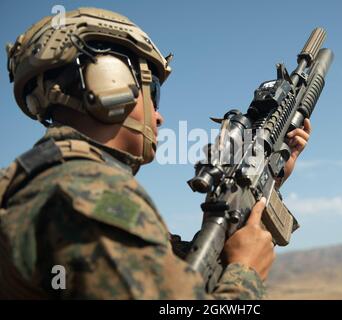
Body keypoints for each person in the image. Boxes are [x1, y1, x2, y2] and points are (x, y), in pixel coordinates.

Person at [0, 7, 311, 299]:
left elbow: (170, 278)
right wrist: (246, 274)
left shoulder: (50, 182)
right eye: (153, 93)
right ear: (110, 81)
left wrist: (265, 183)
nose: (158, 116)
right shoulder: (87, 196)